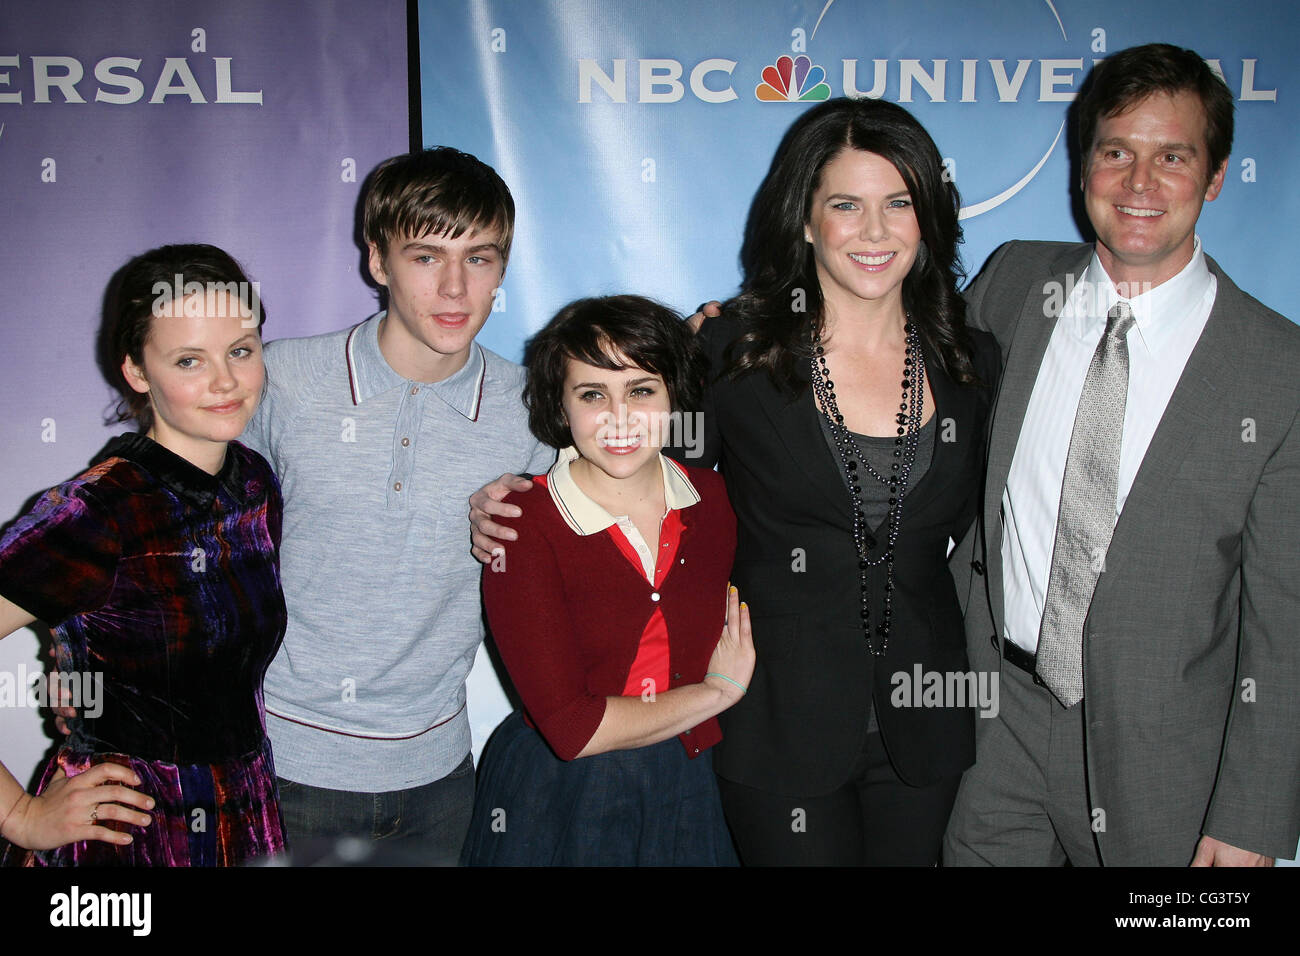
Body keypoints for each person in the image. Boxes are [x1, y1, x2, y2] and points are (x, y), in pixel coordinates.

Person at [471, 98, 1000, 865]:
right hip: (774, 722)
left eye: (900, 203)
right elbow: (637, 468)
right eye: (845, 205)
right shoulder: (733, 353)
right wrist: (513, 498)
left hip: (924, 726)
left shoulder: (972, 362)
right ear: (807, 220)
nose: (876, 231)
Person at [943, 43, 1300, 866]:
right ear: (1083, 167)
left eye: (1172, 156)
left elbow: (1285, 622)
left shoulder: (1280, 370)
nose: (1140, 184)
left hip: (1171, 765)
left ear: (1214, 177)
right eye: (1116, 153)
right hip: (995, 726)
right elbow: (891, 361)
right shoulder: (1012, 285)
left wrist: (1249, 816)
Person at [239, 147, 554, 865]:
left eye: (479, 258)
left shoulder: (533, 408)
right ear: (377, 260)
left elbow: (618, 524)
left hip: (439, 781)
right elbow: (160, 518)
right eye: (424, 257)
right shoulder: (280, 380)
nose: (453, 287)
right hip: (280, 766)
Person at [0, 243, 287, 866]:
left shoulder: (255, 484)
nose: (225, 381)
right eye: (189, 360)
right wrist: (20, 815)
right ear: (136, 371)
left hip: (246, 813)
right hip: (128, 833)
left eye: (241, 350)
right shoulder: (96, 511)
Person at [461, 295, 749, 865]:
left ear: (674, 397)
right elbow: (573, 729)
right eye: (592, 394)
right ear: (560, 406)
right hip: (563, 794)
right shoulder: (521, 522)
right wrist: (716, 693)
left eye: (641, 390)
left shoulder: (712, 500)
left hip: (688, 782)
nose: (619, 417)